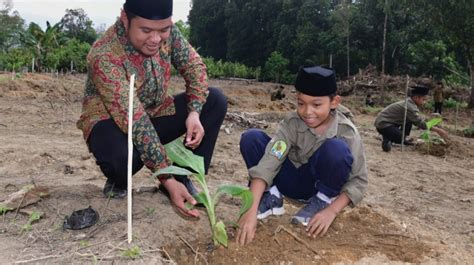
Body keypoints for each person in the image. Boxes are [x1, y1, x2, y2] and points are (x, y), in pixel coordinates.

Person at [76, 0, 227, 218]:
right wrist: (166, 177)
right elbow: (135, 120)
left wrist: (194, 112)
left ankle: (183, 176)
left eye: (163, 30)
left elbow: (194, 67)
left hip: (155, 112)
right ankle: (123, 180)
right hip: (110, 121)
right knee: (123, 161)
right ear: (125, 19)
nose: (156, 39)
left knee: (215, 101)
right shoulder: (104, 55)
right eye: (145, 30)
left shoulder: (168, 34)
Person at [236, 66, 368, 245]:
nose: (307, 112)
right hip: (288, 181)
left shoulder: (347, 132)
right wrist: (250, 210)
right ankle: (271, 197)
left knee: (336, 150)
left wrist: (332, 212)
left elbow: (358, 181)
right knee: (251, 138)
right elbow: (271, 160)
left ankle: (321, 202)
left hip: (317, 187)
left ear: (334, 102)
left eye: (316, 105)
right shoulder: (291, 123)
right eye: (301, 103)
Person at [374, 85, 447, 152]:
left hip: (389, 123)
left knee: (409, 120)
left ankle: (398, 137)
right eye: (423, 99)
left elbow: (418, 119)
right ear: (416, 97)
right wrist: (437, 130)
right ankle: (388, 139)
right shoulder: (410, 107)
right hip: (383, 124)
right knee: (400, 138)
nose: (424, 102)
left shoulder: (409, 103)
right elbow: (420, 123)